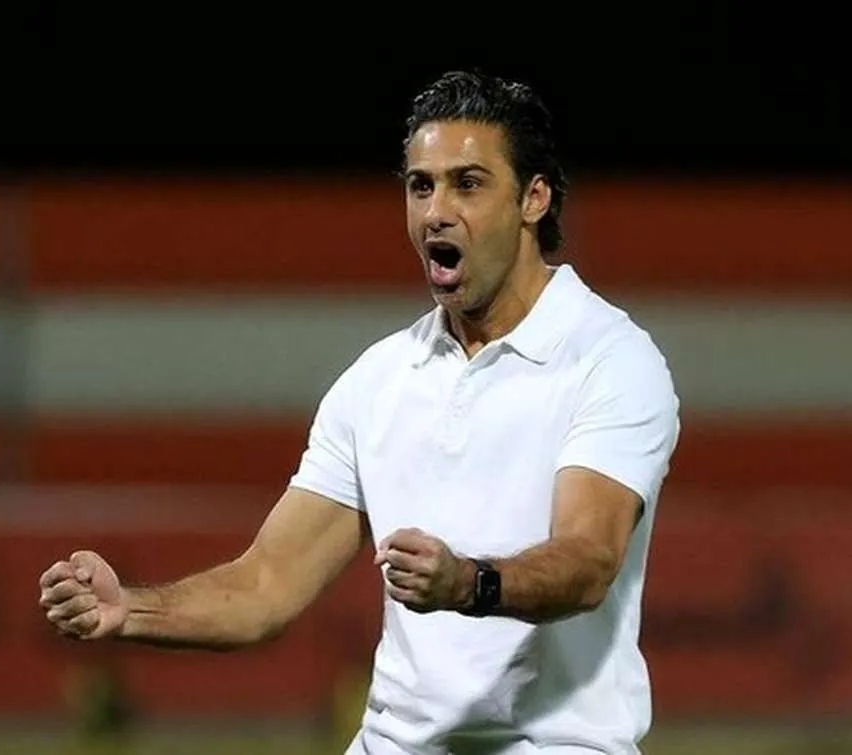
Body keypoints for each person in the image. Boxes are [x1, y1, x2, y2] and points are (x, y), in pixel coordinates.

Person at [39, 69, 680, 754]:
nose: (436, 211)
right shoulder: (378, 380)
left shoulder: (609, 359)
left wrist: (469, 583)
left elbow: (586, 561)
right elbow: (266, 583)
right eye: (420, 186)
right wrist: (129, 608)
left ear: (534, 198)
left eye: (467, 184)